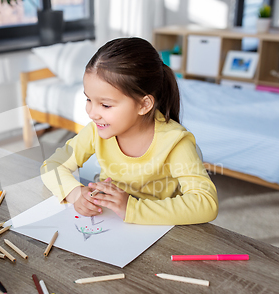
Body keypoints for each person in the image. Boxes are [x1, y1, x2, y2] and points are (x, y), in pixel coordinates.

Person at [40, 37, 218, 225]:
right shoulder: (95, 131)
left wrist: (130, 208)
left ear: (144, 104)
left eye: (105, 105)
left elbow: (206, 203)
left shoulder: (175, 141)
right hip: (109, 223)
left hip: (160, 232)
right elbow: (51, 166)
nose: (92, 113)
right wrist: (76, 193)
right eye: (88, 100)